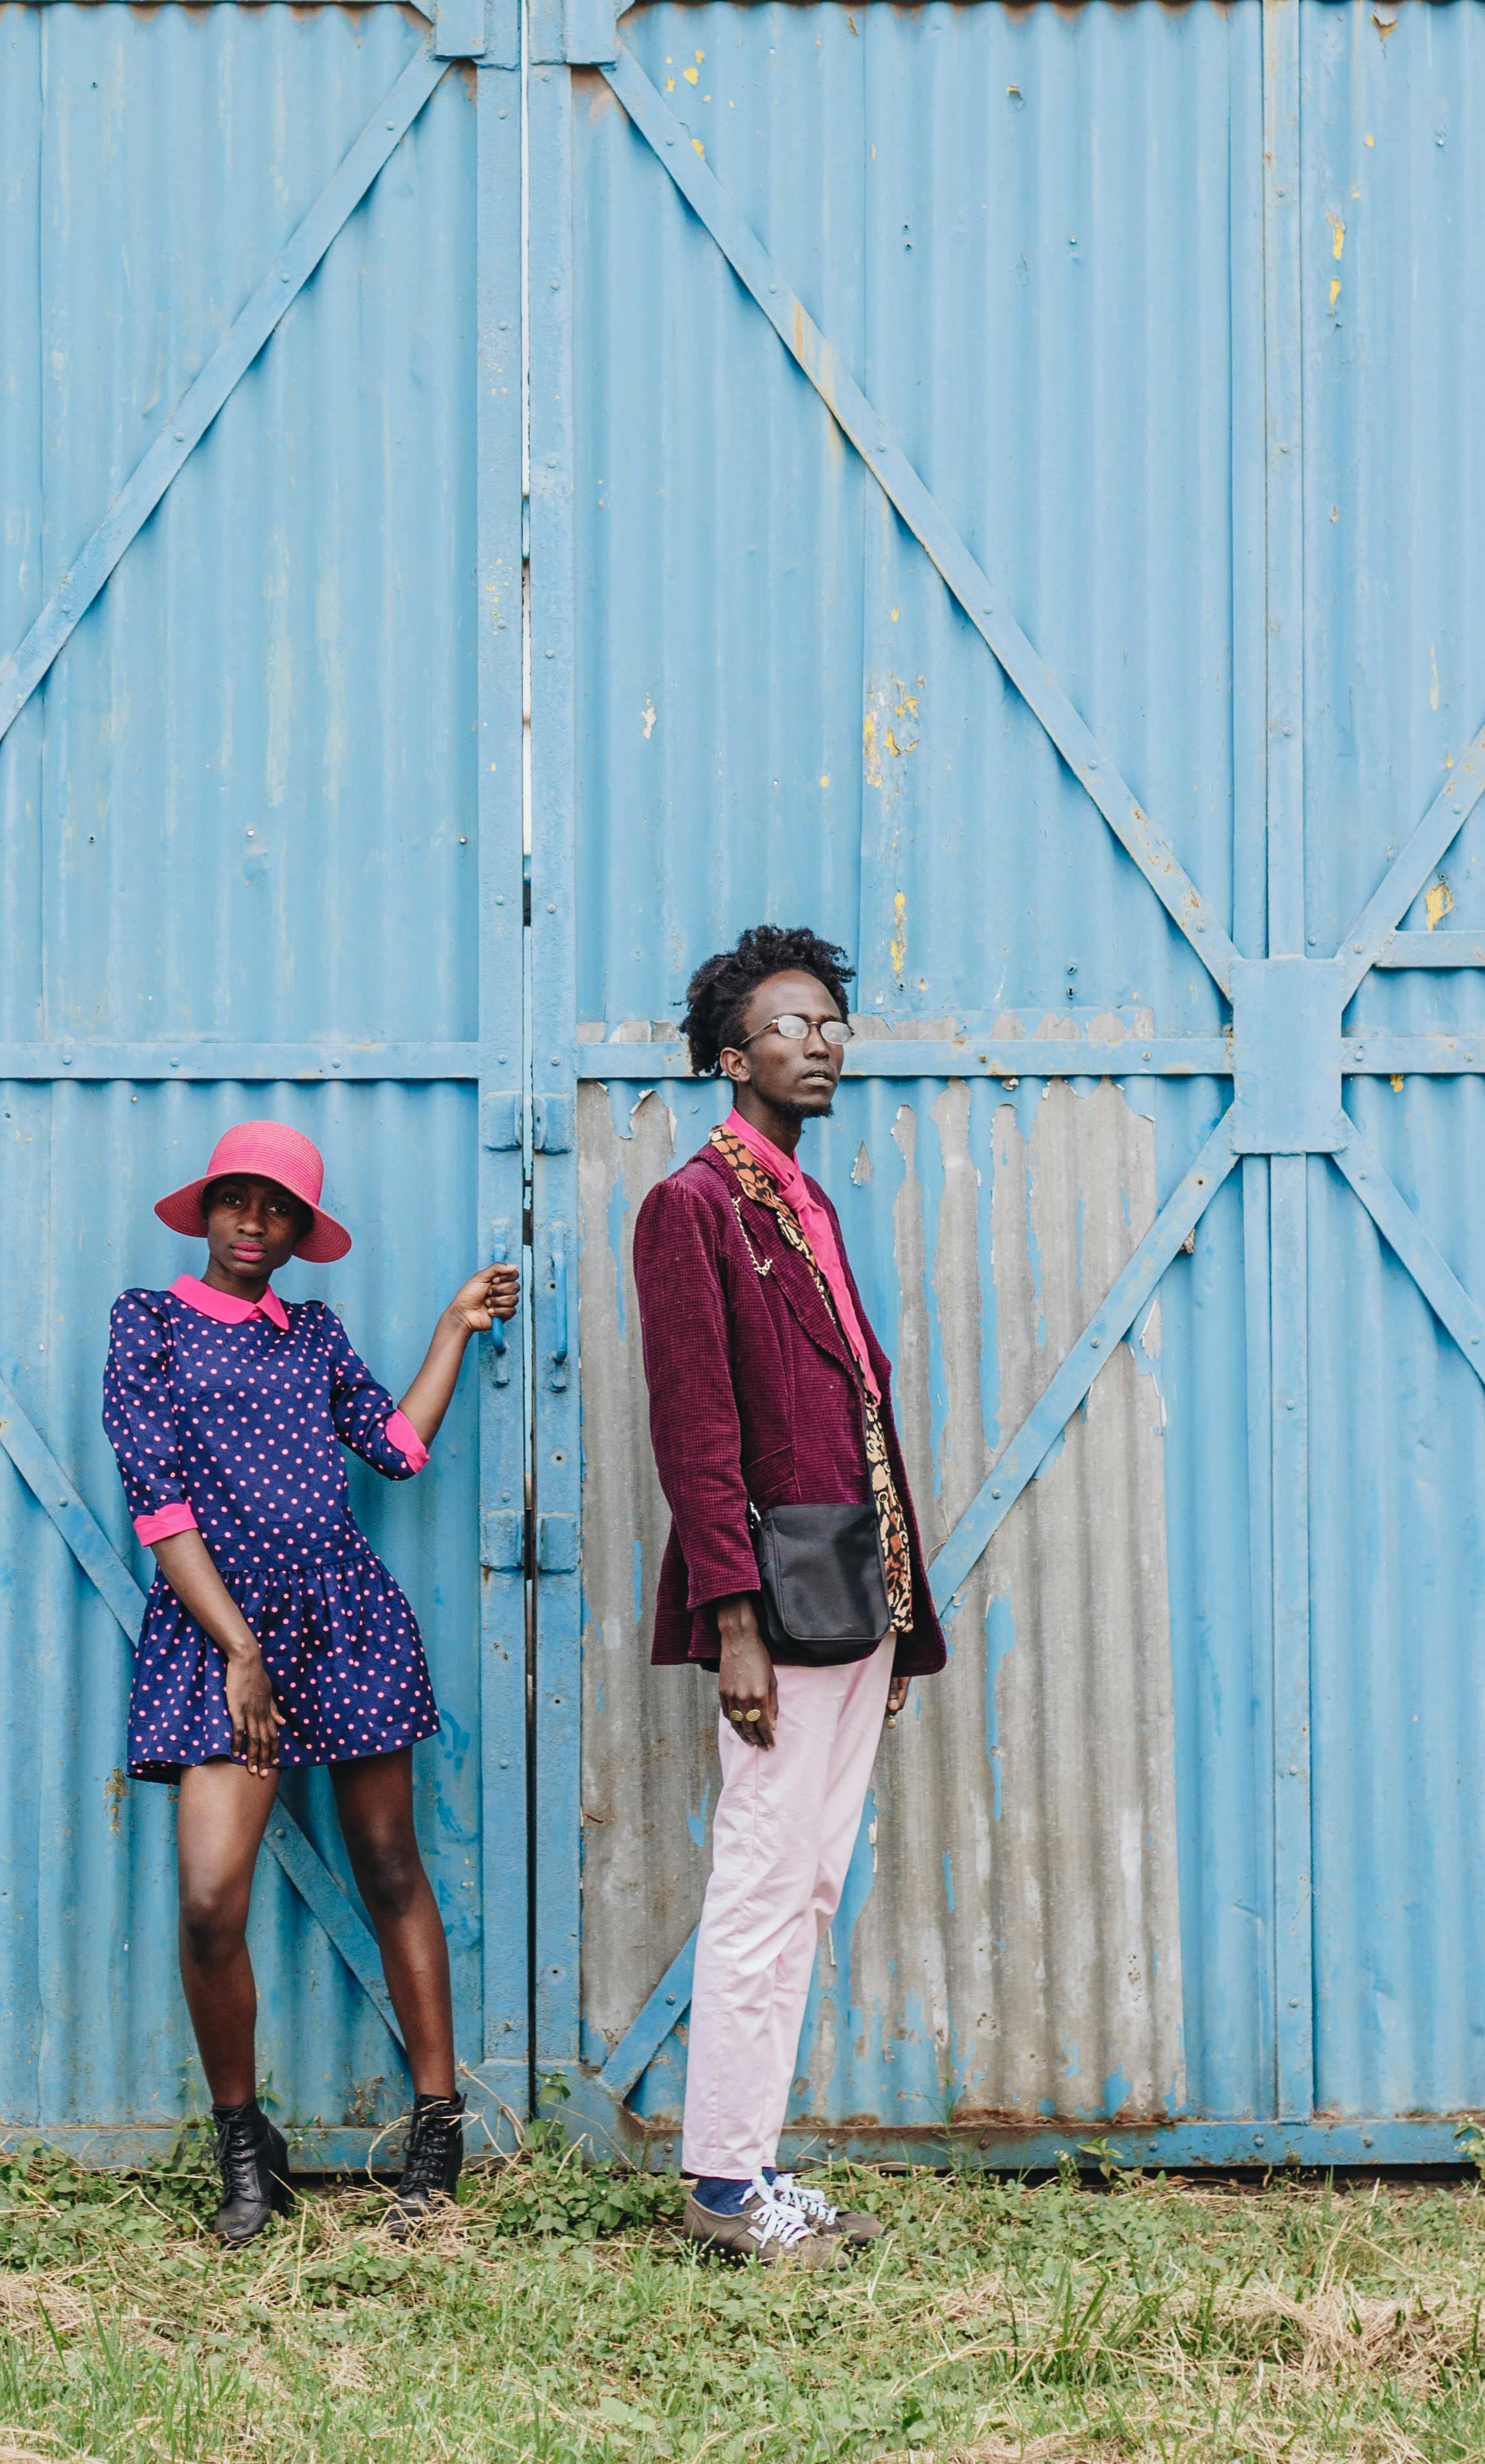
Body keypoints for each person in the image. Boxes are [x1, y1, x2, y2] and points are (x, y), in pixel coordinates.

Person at [102, 1117, 518, 2245]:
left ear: (297, 1233)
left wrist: (450, 1331)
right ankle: (249, 2143)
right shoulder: (147, 1326)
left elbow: (396, 1449)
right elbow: (160, 1507)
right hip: (217, 1640)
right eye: (238, 1198)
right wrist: (238, 1650)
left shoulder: (315, 1334)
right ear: (208, 1209)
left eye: (278, 1208)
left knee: (388, 1864)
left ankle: (438, 2127)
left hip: (344, 1620)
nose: (254, 1221)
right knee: (208, 1900)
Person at [632, 925, 947, 2268]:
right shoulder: (692, 1206)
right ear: (726, 1054)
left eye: (830, 1022)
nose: (816, 1044)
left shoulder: (800, 1203)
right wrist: (736, 1623)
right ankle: (718, 2189)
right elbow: (694, 1430)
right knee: (764, 1880)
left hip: (854, 1592)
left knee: (808, 1882)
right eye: (783, 1024)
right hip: (783, 1603)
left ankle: (752, 2166)